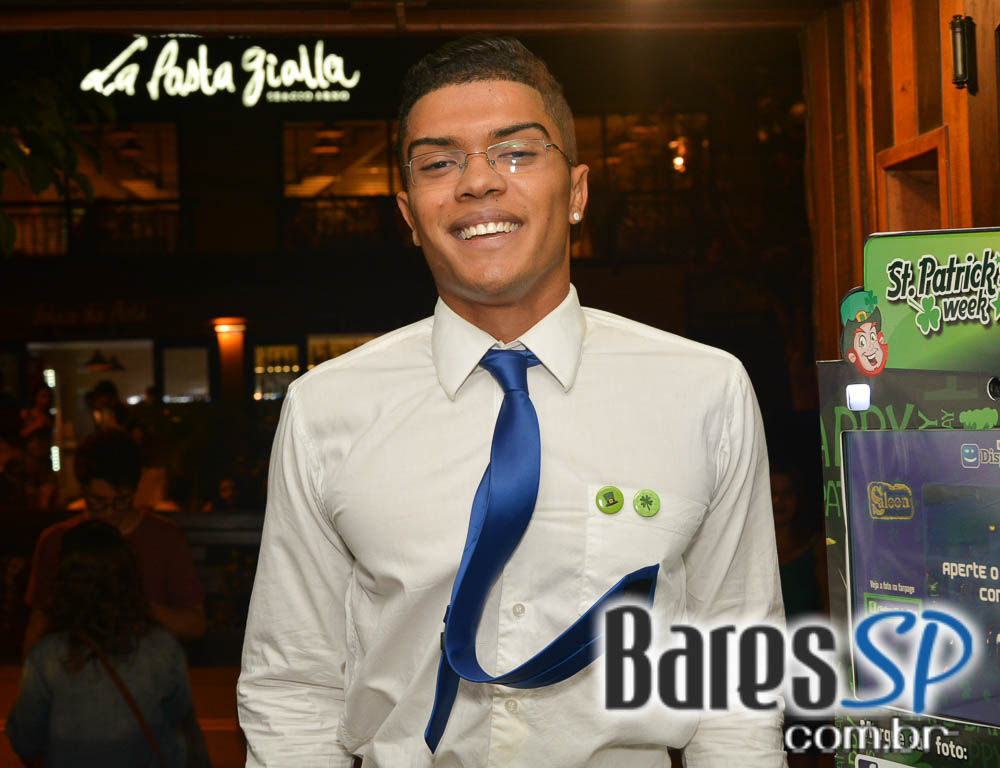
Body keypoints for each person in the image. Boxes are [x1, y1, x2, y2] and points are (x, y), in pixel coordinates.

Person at [239, 37, 785, 767]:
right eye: (439, 163)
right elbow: (294, 685)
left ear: (578, 191)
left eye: (517, 153)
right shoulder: (325, 409)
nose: (477, 182)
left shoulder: (704, 390)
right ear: (409, 213)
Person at [7, 519, 194, 767]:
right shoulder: (163, 648)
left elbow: (25, 741)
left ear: (64, 582)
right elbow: (178, 722)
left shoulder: (46, 657)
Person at [23, 429, 205, 653]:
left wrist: (140, 608)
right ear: (83, 489)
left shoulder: (165, 537)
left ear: (135, 490)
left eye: (121, 501)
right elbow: (38, 625)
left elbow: (195, 624)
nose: (110, 512)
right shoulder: (56, 540)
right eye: (98, 501)